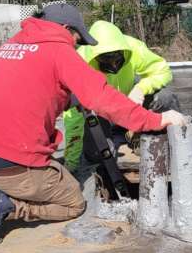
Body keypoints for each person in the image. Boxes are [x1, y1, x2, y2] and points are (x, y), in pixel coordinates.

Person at [0, 4, 185, 246]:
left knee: (52, 171)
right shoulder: (59, 51)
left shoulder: (12, 45)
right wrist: (156, 120)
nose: (76, 46)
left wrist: (70, 99)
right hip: (11, 167)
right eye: (77, 39)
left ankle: (7, 186)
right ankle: (5, 204)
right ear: (66, 29)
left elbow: (32, 89)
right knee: (73, 202)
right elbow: (104, 100)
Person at [62, 20, 179, 172]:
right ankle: (115, 136)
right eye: (105, 59)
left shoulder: (134, 46)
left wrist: (141, 88)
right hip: (101, 113)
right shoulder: (80, 61)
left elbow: (162, 70)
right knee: (99, 155)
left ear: (124, 49)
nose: (113, 64)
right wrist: (71, 160)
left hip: (131, 105)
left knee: (164, 97)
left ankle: (149, 138)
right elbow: (73, 116)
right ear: (94, 55)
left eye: (116, 58)